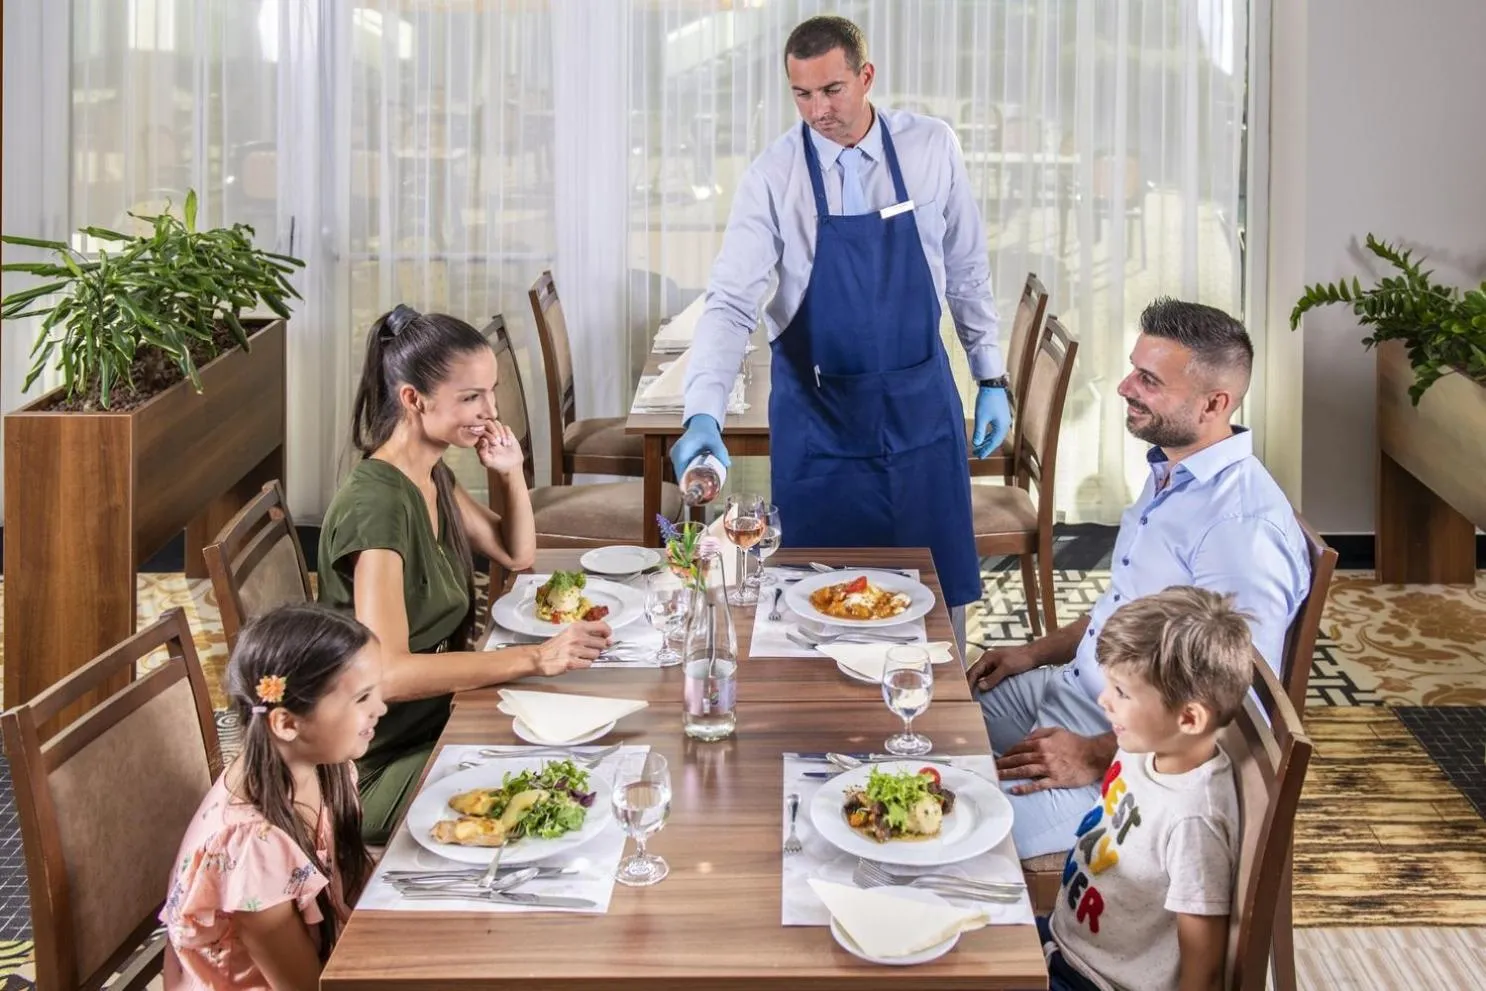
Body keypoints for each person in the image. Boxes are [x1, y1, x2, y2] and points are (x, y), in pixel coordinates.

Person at [669, 15, 1012, 649]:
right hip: (821, 425)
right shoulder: (774, 176)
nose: (817, 110)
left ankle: (938, 728)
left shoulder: (930, 147)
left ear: (866, 76)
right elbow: (730, 304)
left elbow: (966, 269)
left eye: (831, 90)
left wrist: (991, 373)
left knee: (933, 619)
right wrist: (702, 413)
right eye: (801, 94)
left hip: (918, 418)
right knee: (815, 609)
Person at [969, 298, 1309, 856]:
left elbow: (1234, 703)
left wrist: (1097, 753)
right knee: (927, 729)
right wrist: (1034, 652)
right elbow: (1124, 607)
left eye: (1149, 380)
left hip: (1139, 759)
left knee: (967, 837)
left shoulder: (1241, 531)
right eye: (1134, 369)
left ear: (1213, 403)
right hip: (1073, 690)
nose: (1125, 387)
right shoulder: (1172, 470)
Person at [318, 305, 611, 843]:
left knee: (569, 750)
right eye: (471, 397)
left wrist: (510, 473)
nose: (490, 410)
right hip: (372, 763)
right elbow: (387, 674)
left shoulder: (431, 473)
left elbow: (514, 553)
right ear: (413, 398)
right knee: (556, 778)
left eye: (491, 392)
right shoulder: (377, 508)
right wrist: (533, 658)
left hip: (439, 720)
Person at [161, 605, 386, 990]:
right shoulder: (252, 847)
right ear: (286, 723)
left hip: (332, 952)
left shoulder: (319, 764)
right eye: (362, 698)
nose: (380, 708)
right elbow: (302, 986)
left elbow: (344, 872)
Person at [1038, 586, 1248, 991]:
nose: (1104, 700)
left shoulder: (1193, 820)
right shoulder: (1144, 745)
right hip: (1063, 942)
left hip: (1095, 981)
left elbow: (1202, 971)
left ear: (1189, 718)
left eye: (1121, 692)